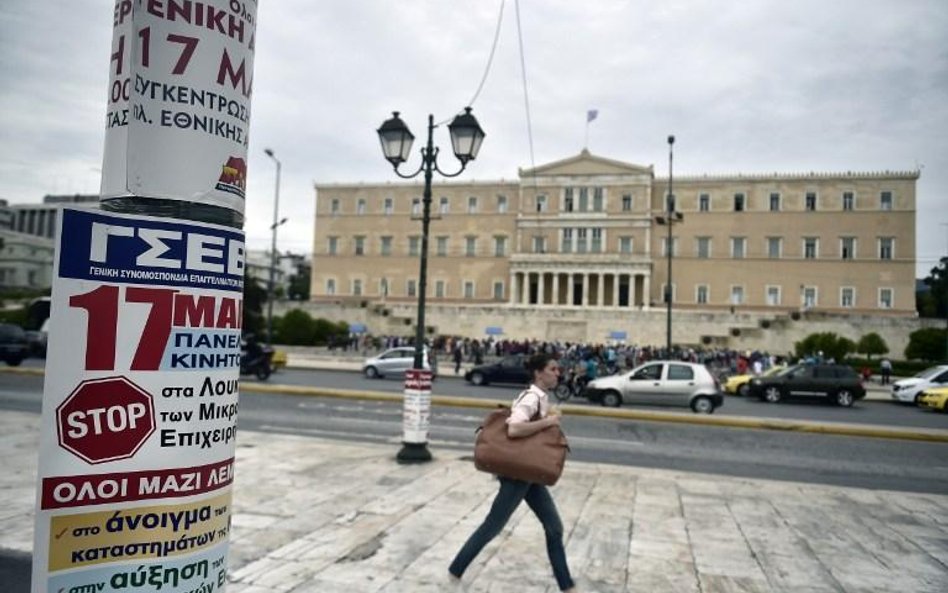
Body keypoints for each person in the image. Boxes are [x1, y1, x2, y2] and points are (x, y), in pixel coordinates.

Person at [449, 353, 576, 592]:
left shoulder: (540, 397)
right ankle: (455, 570)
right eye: (552, 369)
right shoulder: (531, 397)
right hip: (519, 475)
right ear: (539, 373)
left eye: (557, 369)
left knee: (554, 527)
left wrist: (547, 418)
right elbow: (515, 429)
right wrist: (549, 422)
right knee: (493, 526)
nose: (557, 373)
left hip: (529, 472)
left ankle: (566, 585)